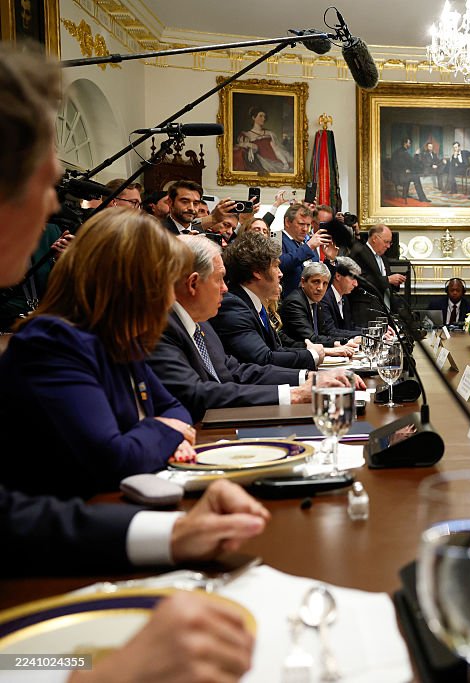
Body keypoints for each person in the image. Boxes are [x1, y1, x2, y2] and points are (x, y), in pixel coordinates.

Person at [0, 43, 260, 681]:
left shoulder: (110, 343)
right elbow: (116, 453)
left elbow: (10, 518)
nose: (53, 200)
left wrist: (172, 535)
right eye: (47, 176)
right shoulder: (52, 344)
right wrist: (107, 671)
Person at [0, 208, 199, 498]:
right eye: (165, 283)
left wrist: (162, 432)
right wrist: (167, 433)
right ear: (131, 285)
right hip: (71, 524)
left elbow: (176, 408)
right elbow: (114, 460)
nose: (171, 298)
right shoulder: (52, 344)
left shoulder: (119, 337)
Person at [147, 236, 330, 422]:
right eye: (219, 279)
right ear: (193, 283)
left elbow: (236, 371)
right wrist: (294, 394)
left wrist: (308, 377)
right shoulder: (160, 328)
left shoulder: (202, 324)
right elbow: (196, 394)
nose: (225, 289)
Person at [210, 231, 325, 370]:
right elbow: (263, 359)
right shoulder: (233, 306)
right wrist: (311, 355)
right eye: (276, 266)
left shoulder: (253, 302)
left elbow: (275, 349)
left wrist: (309, 353)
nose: (281, 273)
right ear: (257, 271)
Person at [281, 261, 361, 346]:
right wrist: (343, 342)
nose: (320, 288)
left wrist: (351, 339)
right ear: (303, 282)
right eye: (316, 282)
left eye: (325, 283)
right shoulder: (295, 303)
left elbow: (326, 332)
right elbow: (311, 338)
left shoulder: (316, 302)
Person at [350, 223, 404, 322]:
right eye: (386, 242)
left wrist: (395, 281)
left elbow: (386, 281)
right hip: (366, 310)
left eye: (390, 243)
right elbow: (361, 279)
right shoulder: (360, 253)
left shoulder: (383, 257)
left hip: (384, 308)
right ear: (375, 238)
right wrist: (388, 279)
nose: (388, 246)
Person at [279, 203, 334, 296]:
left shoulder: (307, 243)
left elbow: (322, 282)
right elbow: (280, 264)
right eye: (301, 224)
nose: (305, 229)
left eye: (308, 225)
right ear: (287, 222)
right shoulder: (277, 239)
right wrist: (309, 247)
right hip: (288, 302)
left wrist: (330, 260)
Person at [234, 105, 293, 174]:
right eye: (261, 116)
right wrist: (250, 147)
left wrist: (285, 163)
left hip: (273, 161)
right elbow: (243, 146)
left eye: (264, 116)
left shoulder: (269, 133)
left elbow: (276, 149)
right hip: (260, 162)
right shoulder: (247, 135)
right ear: (253, 117)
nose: (264, 118)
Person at [323, 256, 362, 336]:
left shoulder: (344, 298)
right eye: (352, 278)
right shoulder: (325, 299)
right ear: (338, 276)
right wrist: (366, 334)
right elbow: (331, 332)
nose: (356, 284)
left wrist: (373, 331)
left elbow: (350, 327)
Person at [392, 137, 430, 203]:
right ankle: (422, 198)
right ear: (405, 143)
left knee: (410, 174)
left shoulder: (398, 151)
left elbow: (399, 164)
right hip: (399, 177)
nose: (410, 145)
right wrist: (416, 154)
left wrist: (405, 169)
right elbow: (413, 163)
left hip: (395, 176)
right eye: (409, 143)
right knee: (416, 177)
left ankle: (405, 194)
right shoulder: (404, 153)